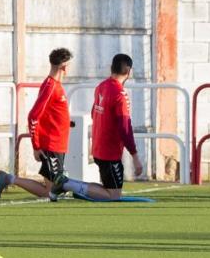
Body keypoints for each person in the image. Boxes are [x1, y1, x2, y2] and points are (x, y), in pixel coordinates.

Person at [52, 53, 144, 200]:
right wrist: (135, 156)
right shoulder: (120, 94)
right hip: (110, 152)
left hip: (99, 147)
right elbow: (125, 128)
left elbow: (94, 114)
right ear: (129, 71)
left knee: (108, 189)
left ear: (111, 68)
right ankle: (66, 183)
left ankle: (72, 185)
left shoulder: (101, 87)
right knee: (113, 195)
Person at [0, 48, 72, 201]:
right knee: (50, 193)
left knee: (55, 190)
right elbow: (33, 116)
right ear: (64, 67)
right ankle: (8, 179)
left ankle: (8, 178)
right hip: (51, 145)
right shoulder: (51, 86)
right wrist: (36, 146)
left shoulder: (54, 85)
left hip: (57, 145)